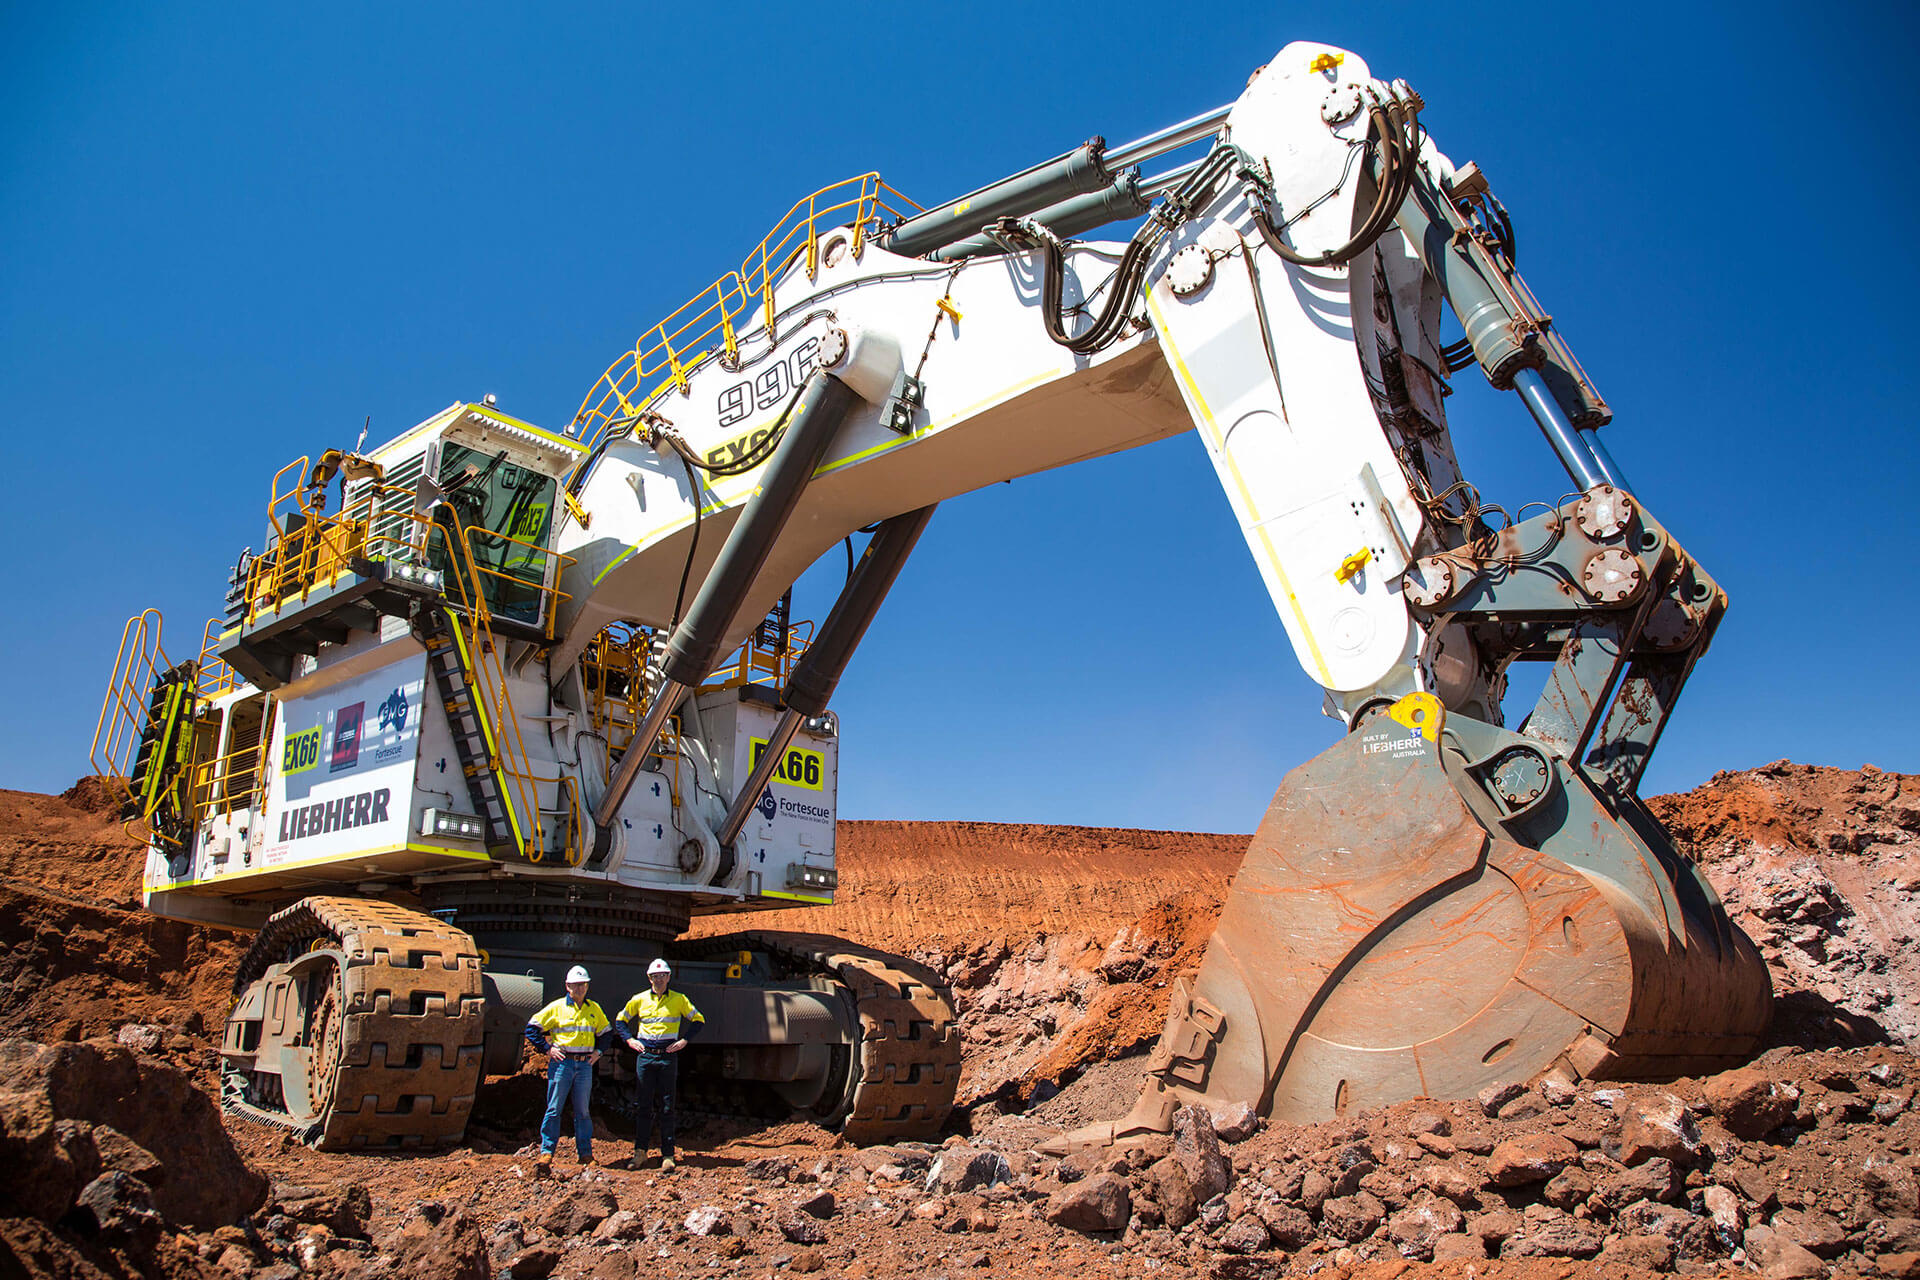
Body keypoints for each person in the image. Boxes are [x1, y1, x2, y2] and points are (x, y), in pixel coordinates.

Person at [616, 957, 705, 1171]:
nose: (659, 980)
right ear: (649, 978)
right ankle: (640, 1153)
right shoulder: (639, 1000)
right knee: (643, 1106)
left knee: (667, 1107)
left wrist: (684, 1041)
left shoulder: (679, 1000)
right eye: (655, 976)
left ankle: (668, 1155)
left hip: (667, 1056)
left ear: (668, 977)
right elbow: (620, 1020)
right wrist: (629, 1040)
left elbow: (698, 1019)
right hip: (646, 1056)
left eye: (662, 976)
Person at [523, 964, 611, 1170]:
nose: (579, 989)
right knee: (554, 1109)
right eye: (575, 985)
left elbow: (606, 1033)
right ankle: (546, 1153)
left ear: (587, 986)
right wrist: (547, 1049)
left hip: (584, 1066)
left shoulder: (593, 1009)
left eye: (583, 985)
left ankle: (585, 1154)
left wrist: (598, 1052)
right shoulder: (556, 1008)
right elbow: (532, 1028)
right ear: (567, 986)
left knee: (583, 1111)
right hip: (562, 1064)